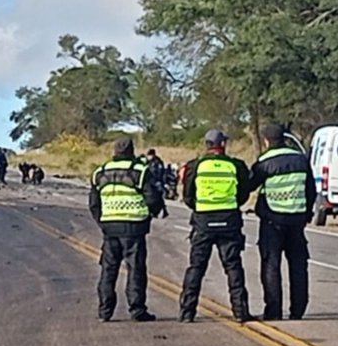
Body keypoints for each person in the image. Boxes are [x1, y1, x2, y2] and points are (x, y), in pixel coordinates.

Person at [179, 129, 254, 323]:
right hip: (229, 221)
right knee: (233, 267)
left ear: (207, 144)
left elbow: (188, 195)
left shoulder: (195, 166)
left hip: (203, 222)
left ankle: (187, 313)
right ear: (223, 145)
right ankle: (240, 312)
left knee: (196, 267)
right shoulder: (236, 165)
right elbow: (243, 193)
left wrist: (201, 208)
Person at [89, 138, 164, 322]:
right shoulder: (140, 171)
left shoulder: (100, 172)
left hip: (110, 229)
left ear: (114, 151)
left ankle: (105, 311)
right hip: (133, 227)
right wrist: (153, 214)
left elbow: (93, 204)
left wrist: (103, 222)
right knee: (136, 269)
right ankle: (137, 310)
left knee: (108, 270)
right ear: (132, 151)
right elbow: (152, 199)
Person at [248, 124, 317, 320]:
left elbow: (250, 186)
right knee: (298, 265)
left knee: (271, 265)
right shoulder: (301, 159)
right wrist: (307, 214)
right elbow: (311, 190)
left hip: (272, 221)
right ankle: (298, 310)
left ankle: (273, 311)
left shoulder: (264, 162)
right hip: (296, 220)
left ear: (266, 141)